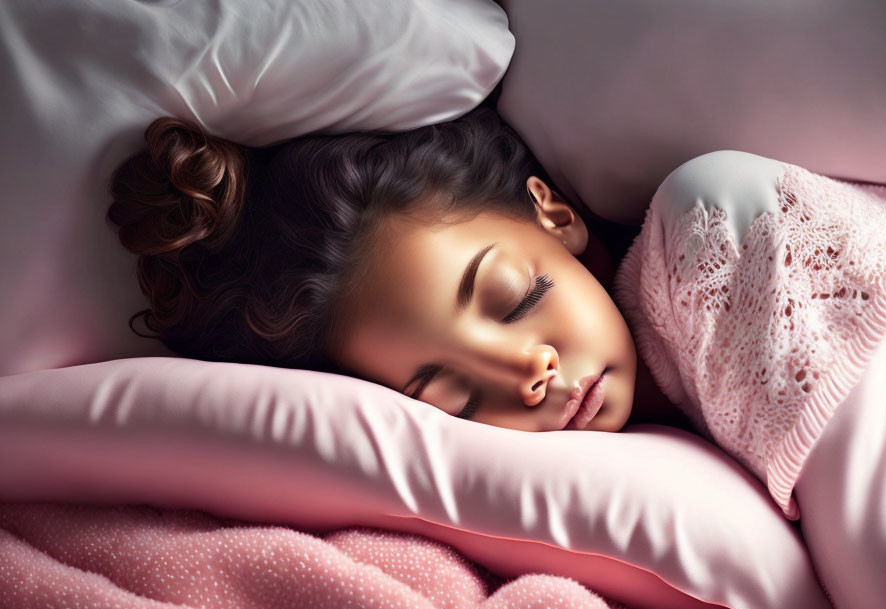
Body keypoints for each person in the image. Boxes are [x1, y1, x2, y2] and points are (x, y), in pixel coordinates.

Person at [107, 106, 692, 435]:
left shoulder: (716, 243)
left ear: (553, 215)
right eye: (455, 400)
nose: (526, 375)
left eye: (516, 298)